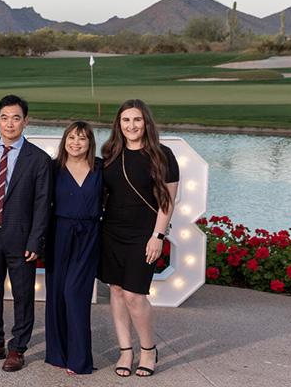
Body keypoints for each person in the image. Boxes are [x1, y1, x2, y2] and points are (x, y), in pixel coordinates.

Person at [99, 100, 179, 378]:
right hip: (111, 231)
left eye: (137, 120)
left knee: (135, 294)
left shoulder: (162, 155)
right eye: (125, 120)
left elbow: (167, 202)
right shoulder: (110, 153)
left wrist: (158, 235)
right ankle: (125, 351)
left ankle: (148, 349)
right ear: (118, 124)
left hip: (144, 235)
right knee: (117, 291)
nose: (131, 126)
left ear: (146, 123)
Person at [0, 95, 52, 373]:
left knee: (22, 295)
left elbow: (43, 203)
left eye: (16, 117)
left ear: (25, 121)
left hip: (21, 238)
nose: (10, 123)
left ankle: (18, 348)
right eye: (4, 117)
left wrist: (36, 240)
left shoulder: (39, 159)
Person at [45, 121, 102, 375]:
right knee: (57, 294)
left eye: (82, 138)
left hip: (89, 236)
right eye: (71, 137)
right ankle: (58, 355)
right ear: (64, 140)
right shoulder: (53, 168)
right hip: (58, 234)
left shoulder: (101, 167)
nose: (76, 143)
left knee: (74, 294)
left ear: (90, 142)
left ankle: (79, 360)